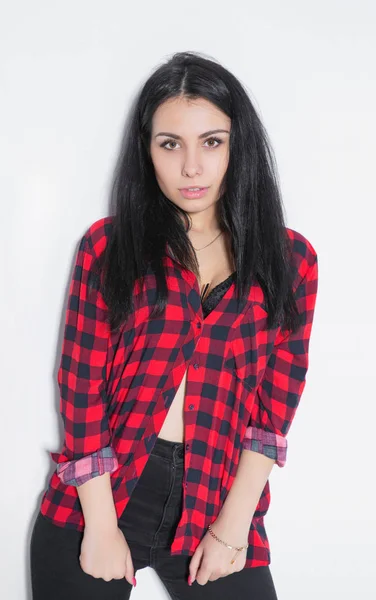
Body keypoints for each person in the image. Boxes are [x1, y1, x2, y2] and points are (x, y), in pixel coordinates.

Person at [30, 51, 318, 599]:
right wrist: (100, 525)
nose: (192, 167)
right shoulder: (109, 247)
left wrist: (233, 529)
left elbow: (274, 409)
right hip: (104, 493)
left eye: (212, 142)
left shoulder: (291, 261)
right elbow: (79, 388)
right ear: (148, 150)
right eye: (170, 144)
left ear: (240, 146)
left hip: (217, 495)